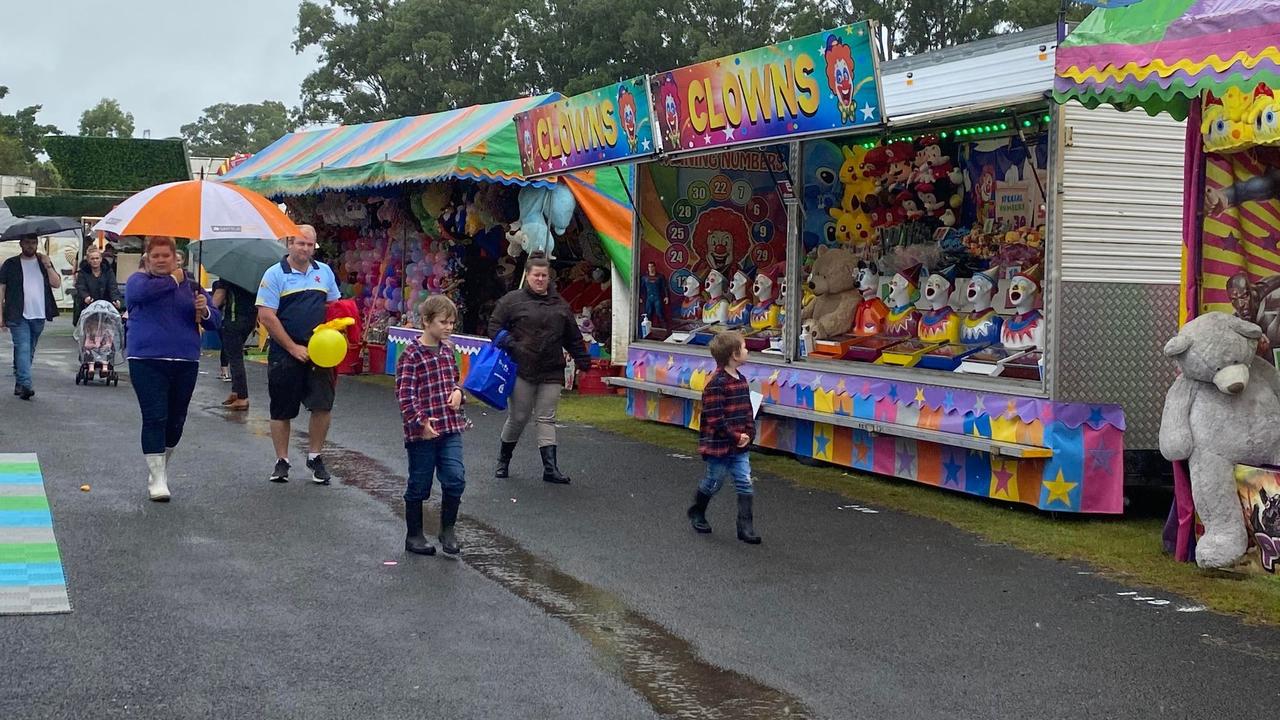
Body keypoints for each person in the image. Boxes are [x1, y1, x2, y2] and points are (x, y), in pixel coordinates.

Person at [125, 236, 221, 501]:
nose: (160, 260)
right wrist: (174, 280)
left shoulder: (191, 286)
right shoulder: (138, 282)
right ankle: (157, 479)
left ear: (175, 257)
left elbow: (215, 322)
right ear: (147, 258)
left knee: (176, 420)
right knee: (155, 416)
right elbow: (140, 296)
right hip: (146, 360)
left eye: (165, 256)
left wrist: (205, 311)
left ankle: (161, 469)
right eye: (155, 256)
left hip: (185, 360)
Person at [487, 252, 591, 484]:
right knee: (519, 417)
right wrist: (511, 343)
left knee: (546, 418)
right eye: (536, 275)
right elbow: (493, 327)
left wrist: (584, 362)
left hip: (551, 369)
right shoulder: (511, 301)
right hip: (522, 367)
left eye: (544, 275)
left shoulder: (560, 305)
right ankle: (503, 460)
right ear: (528, 275)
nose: (541, 279)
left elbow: (573, 337)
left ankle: (550, 469)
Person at [256, 224, 341, 484]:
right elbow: (266, 316)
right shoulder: (274, 274)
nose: (304, 248)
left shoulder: (324, 272)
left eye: (309, 244)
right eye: (299, 243)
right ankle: (282, 460)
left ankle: (315, 456)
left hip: (320, 353)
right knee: (282, 409)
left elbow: (334, 307)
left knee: (322, 405)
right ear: (289, 244)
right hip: (285, 352)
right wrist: (293, 348)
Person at [395, 295, 469, 556]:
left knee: (455, 478)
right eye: (443, 322)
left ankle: (447, 529)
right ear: (426, 322)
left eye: (452, 322)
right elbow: (405, 394)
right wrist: (420, 422)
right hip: (422, 432)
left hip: (450, 427)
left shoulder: (449, 351)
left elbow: (456, 380)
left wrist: (459, 392)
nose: (448, 327)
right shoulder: (411, 355)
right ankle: (414, 535)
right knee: (419, 483)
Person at [686, 331, 761, 544]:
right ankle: (697, 510)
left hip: (740, 445)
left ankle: (745, 526)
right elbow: (714, 418)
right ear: (734, 354)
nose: (747, 351)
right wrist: (735, 436)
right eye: (744, 347)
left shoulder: (742, 380)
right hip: (719, 445)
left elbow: (747, 410)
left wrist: (749, 433)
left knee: (744, 482)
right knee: (714, 481)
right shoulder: (716, 383)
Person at [0, 234, 62, 400]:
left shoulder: (43, 263)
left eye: (33, 243)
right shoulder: (10, 264)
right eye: (27, 243)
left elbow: (56, 283)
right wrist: (0, 314)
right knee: (23, 347)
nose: (30, 246)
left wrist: (48, 266)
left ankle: (20, 380)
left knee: (29, 349)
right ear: (21, 244)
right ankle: (26, 384)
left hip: (39, 313)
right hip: (17, 314)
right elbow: (2, 290)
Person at [212, 278, 258, 410]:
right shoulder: (256, 272)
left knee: (235, 357)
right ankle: (236, 391)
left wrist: (208, 310)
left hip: (233, 319)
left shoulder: (229, 273)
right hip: (250, 318)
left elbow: (219, 295)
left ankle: (242, 397)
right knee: (235, 354)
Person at [73, 246, 121, 325]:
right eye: (92, 259)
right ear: (88, 260)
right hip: (88, 305)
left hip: (105, 305)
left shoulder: (108, 271)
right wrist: (86, 297)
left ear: (101, 259)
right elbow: (81, 287)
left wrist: (115, 299)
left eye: (97, 258)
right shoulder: (82, 272)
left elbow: (113, 286)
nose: (95, 260)